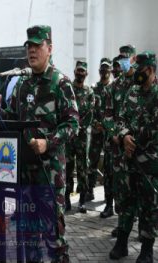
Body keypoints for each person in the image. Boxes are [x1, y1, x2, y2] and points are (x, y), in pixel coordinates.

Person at [0, 25, 79, 263]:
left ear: (49, 48)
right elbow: (12, 118)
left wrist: (48, 142)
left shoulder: (60, 83)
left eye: (37, 45)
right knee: (29, 238)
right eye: (29, 46)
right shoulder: (22, 85)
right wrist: (0, 113)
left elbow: (73, 124)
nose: (31, 50)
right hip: (25, 176)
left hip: (49, 176)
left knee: (54, 239)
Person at [109, 51, 158, 262]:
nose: (138, 74)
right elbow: (120, 119)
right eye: (136, 69)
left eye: (142, 71)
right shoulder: (133, 92)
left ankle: (146, 250)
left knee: (149, 206)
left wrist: (135, 141)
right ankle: (122, 244)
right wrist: (124, 135)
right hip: (128, 161)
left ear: (152, 70)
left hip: (150, 164)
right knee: (126, 202)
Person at [103, 45, 137, 236]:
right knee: (122, 189)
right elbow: (108, 116)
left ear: (133, 59)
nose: (123, 62)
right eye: (121, 58)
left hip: (139, 148)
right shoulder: (113, 87)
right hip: (118, 148)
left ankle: (143, 228)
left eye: (126, 58)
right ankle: (122, 225)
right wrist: (116, 134)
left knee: (139, 189)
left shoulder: (142, 83)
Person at [65, 61, 94, 213]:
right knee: (68, 168)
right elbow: (65, 109)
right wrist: (72, 127)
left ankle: (82, 201)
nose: (80, 74)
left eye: (83, 71)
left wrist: (80, 127)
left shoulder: (89, 92)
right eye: (78, 71)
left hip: (82, 137)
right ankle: (67, 200)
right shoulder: (68, 88)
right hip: (69, 137)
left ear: (86, 74)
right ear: (74, 71)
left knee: (83, 168)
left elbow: (90, 114)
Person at [86, 58, 112, 202]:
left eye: (107, 69)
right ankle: (90, 190)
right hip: (96, 132)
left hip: (109, 134)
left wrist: (107, 126)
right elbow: (90, 110)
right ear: (99, 71)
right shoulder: (94, 89)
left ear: (110, 71)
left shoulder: (113, 88)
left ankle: (108, 196)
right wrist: (96, 123)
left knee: (109, 165)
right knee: (93, 162)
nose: (104, 71)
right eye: (102, 69)